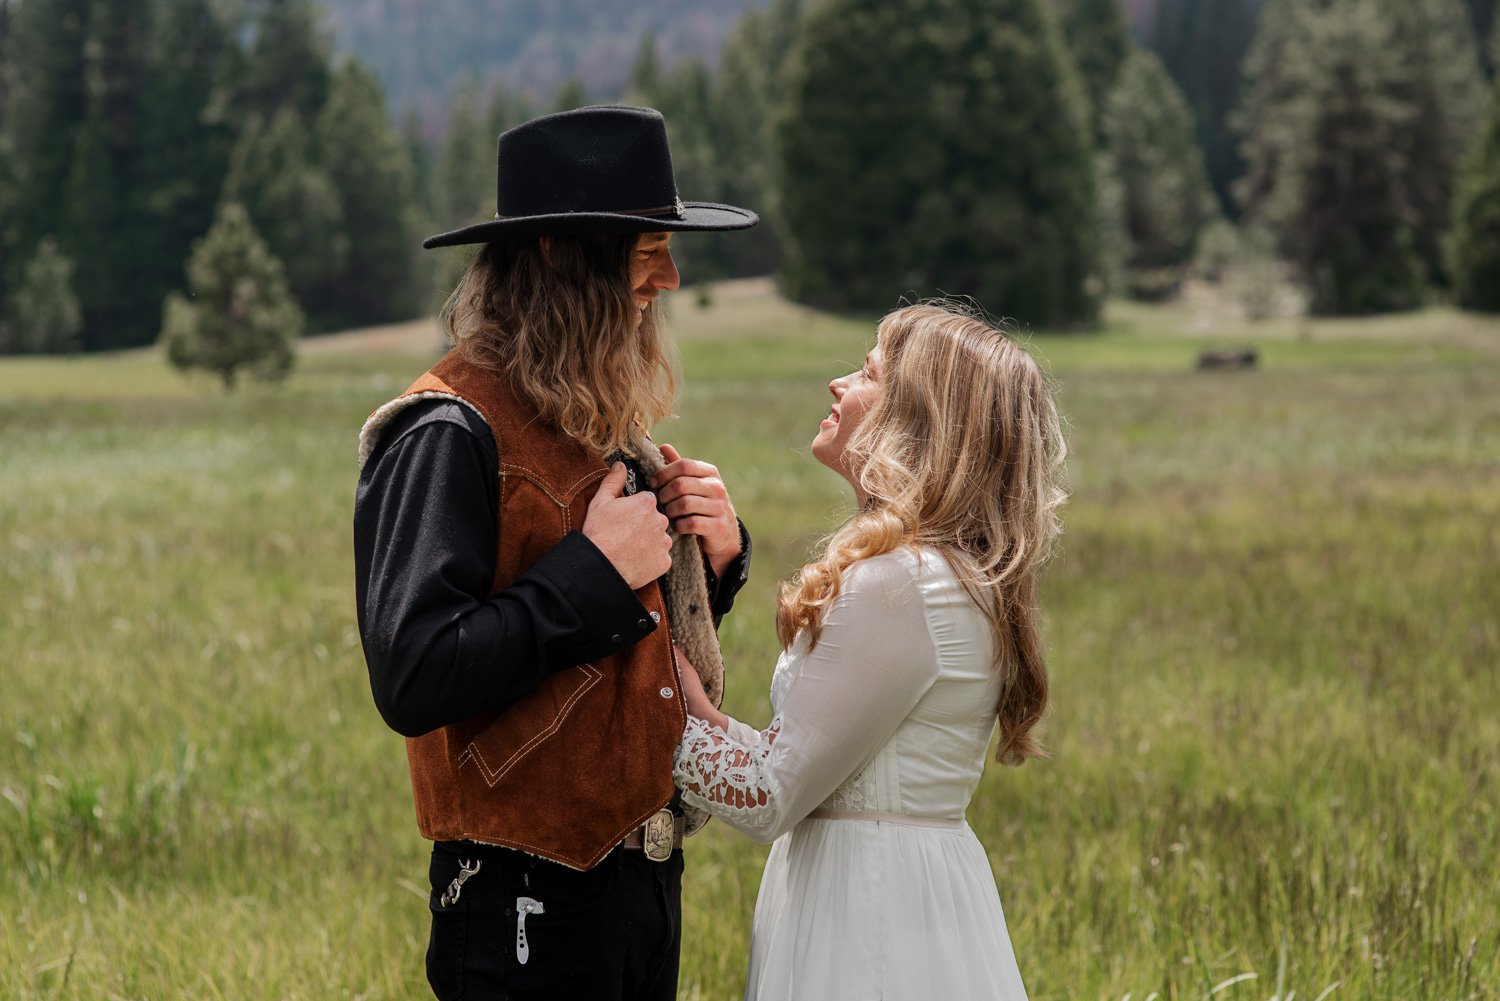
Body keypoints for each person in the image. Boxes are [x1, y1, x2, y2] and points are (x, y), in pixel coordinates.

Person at [353, 105, 758, 1001]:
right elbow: (414, 675)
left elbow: (596, 655)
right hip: (520, 902)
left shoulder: (590, 419)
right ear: (561, 256)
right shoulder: (445, 429)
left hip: (640, 886)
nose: (672, 278)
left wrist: (713, 564)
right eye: (649, 252)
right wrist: (592, 573)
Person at [672, 301, 1067, 1001]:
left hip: (870, 909)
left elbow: (765, 793)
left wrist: (656, 687)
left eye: (865, 372)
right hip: (901, 888)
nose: (836, 383)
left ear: (917, 421)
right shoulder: (942, 575)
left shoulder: (902, 582)